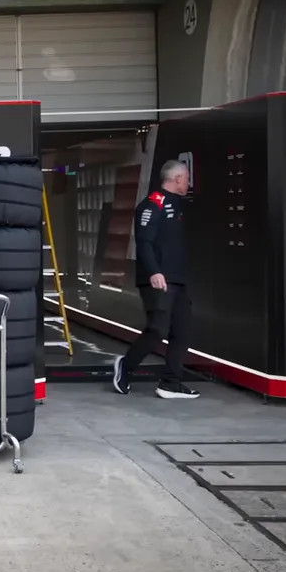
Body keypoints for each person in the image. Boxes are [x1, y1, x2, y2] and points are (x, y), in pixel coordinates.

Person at [113, 159, 200, 400]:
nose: (189, 183)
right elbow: (144, 242)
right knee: (157, 329)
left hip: (177, 280)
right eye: (187, 178)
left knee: (182, 331)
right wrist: (154, 271)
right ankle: (125, 367)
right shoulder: (152, 205)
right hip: (157, 279)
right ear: (178, 178)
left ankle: (170, 382)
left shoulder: (178, 204)